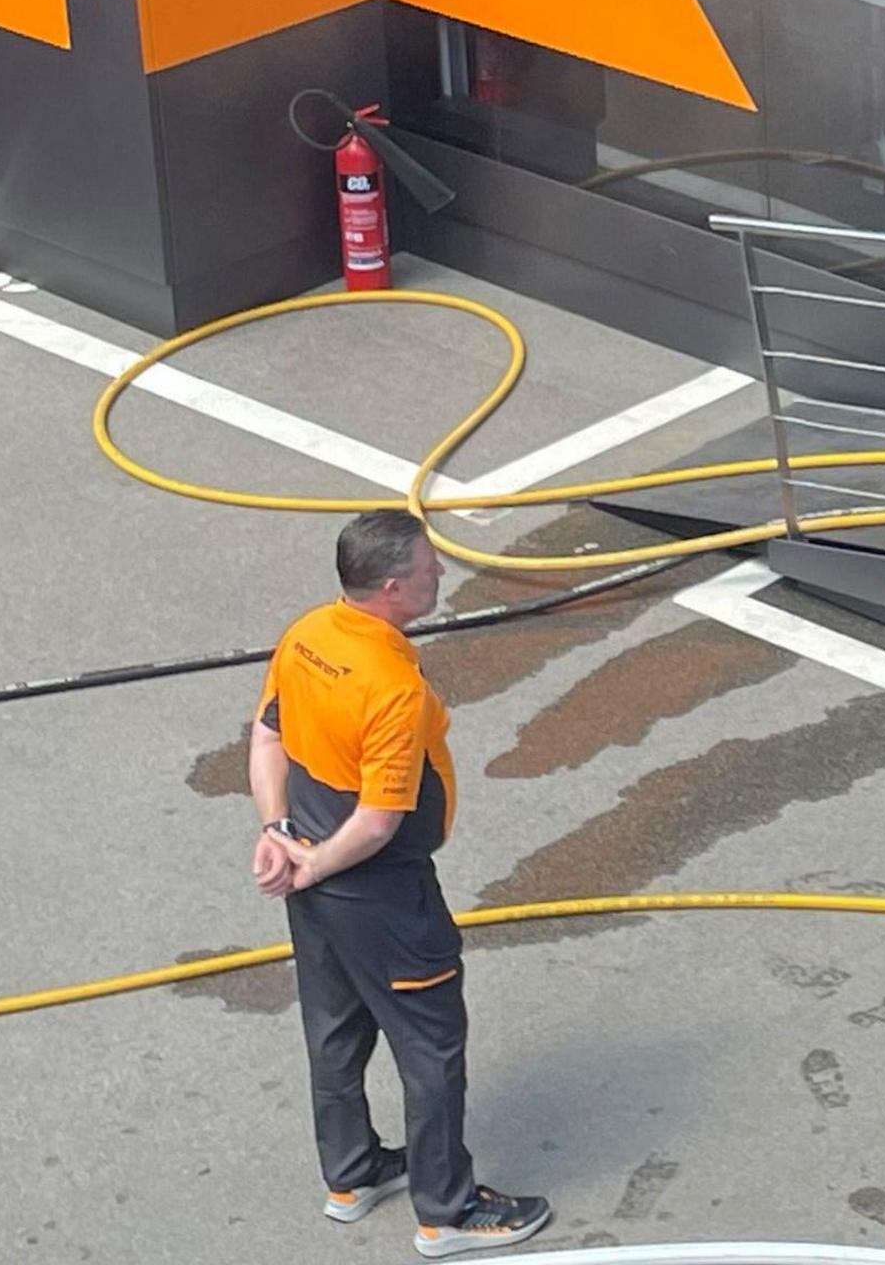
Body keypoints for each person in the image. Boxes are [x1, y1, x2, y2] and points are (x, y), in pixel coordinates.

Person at [249, 510, 552, 1257]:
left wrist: (279, 834)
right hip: (380, 894)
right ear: (391, 587)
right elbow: (380, 821)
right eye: (428, 568)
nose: (441, 574)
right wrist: (316, 863)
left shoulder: (309, 633)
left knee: (334, 1030)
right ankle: (447, 1211)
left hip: (314, 880)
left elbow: (266, 736)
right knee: (431, 1045)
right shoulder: (391, 685)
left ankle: (351, 1177)